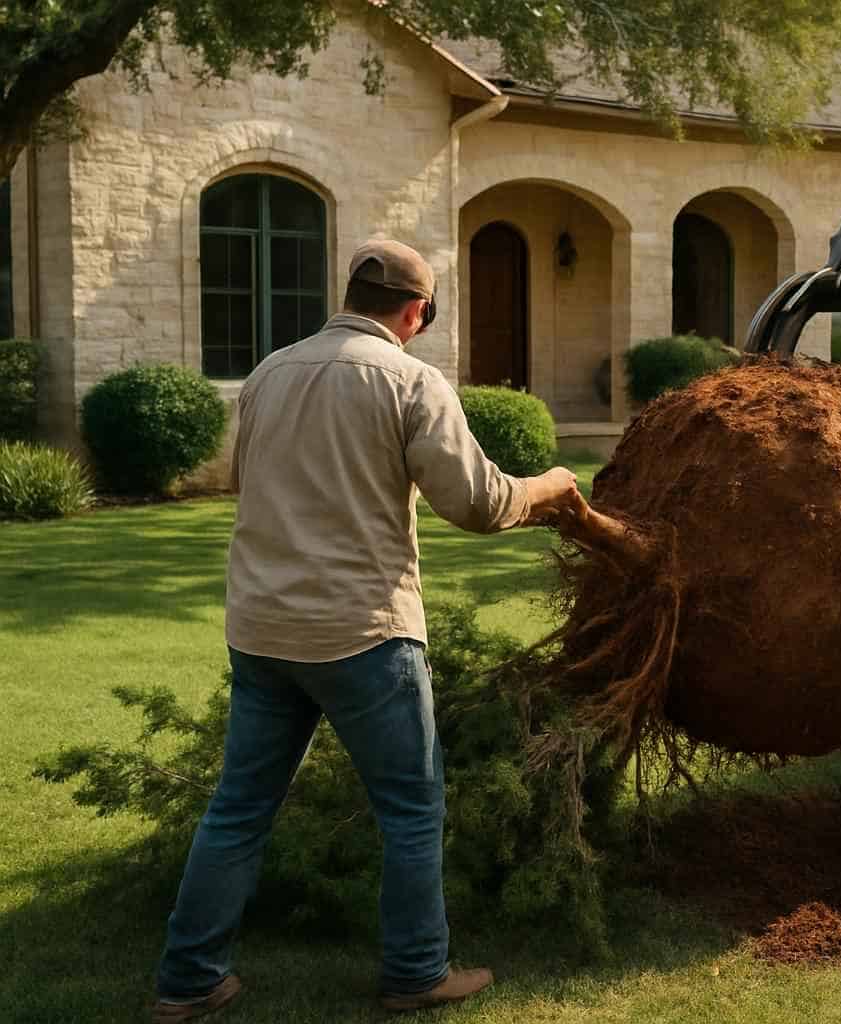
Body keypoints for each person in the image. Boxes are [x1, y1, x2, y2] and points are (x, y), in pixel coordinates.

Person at [151, 240, 584, 1021]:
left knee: (237, 809)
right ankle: (417, 972)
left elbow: (241, 482)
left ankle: (187, 980)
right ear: (417, 311)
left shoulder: (267, 373)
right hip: (364, 634)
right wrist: (550, 487)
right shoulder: (411, 379)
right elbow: (480, 504)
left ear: (349, 294)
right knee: (411, 808)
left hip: (261, 629)